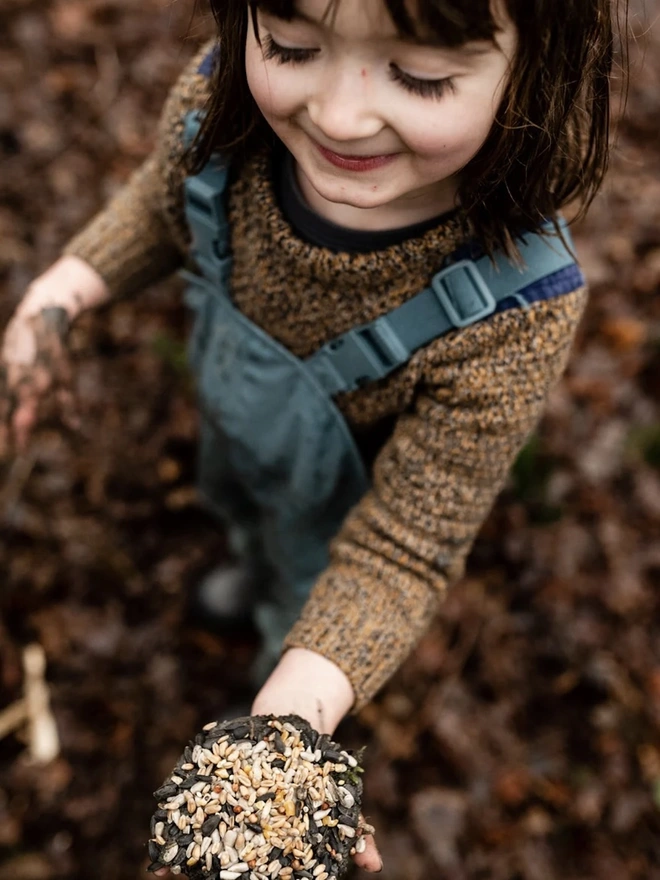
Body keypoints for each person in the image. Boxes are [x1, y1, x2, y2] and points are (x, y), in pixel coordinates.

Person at [0, 0, 619, 872]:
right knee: (237, 506)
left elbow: (403, 547)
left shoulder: (512, 306)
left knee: (298, 593)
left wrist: (288, 723)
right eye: (292, 46)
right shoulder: (228, 108)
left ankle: (274, 643)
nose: (338, 114)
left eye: (421, 76)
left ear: (537, 71)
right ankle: (245, 568)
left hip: (342, 527)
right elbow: (159, 205)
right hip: (236, 430)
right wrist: (58, 295)